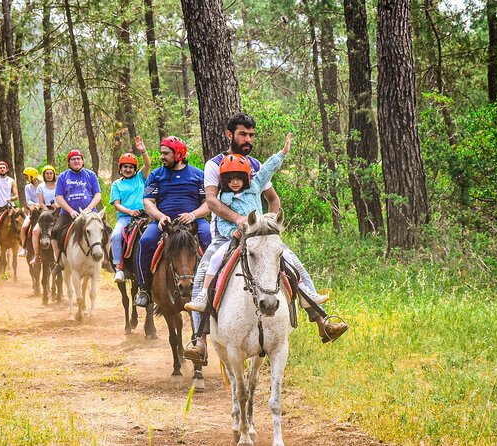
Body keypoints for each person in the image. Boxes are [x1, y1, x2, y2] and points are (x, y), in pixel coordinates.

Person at [183, 113, 348, 363]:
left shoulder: (257, 166)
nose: (248, 139)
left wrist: (269, 225)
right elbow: (212, 202)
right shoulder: (214, 164)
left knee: (295, 264)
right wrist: (239, 220)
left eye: (251, 135)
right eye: (243, 134)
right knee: (203, 274)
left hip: (259, 237)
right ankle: (199, 341)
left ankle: (322, 321)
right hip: (225, 237)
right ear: (230, 135)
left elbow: (273, 199)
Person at [186, 133, 329, 311]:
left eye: (238, 177)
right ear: (224, 180)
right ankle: (204, 295)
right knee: (214, 260)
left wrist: (282, 153)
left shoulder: (255, 186)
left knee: (289, 259)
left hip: (260, 237)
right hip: (236, 240)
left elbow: (268, 169)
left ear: (246, 177)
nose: (235, 182)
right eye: (230, 179)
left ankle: (306, 294)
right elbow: (222, 222)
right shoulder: (224, 198)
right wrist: (233, 231)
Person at [133, 136, 211, 307]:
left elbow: (209, 203)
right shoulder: (155, 175)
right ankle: (144, 288)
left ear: (179, 154)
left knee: (209, 238)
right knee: (145, 242)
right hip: (164, 223)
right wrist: (160, 216)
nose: (162, 157)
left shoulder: (199, 175)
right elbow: (147, 202)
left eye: (166, 153)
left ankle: (212, 288)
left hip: (193, 223)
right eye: (162, 153)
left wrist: (193, 214)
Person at [50, 150, 102, 273]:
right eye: (73, 159)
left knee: (107, 229)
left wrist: (88, 209)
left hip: (90, 214)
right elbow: (59, 197)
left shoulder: (91, 175)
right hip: (68, 214)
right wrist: (71, 211)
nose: (76, 161)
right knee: (55, 232)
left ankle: (105, 261)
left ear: (83, 161)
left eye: (79, 159)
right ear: (69, 163)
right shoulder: (63, 177)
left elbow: (98, 195)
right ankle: (59, 262)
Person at [110, 136, 151, 283]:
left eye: (131, 167)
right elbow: (116, 204)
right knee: (115, 236)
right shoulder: (116, 184)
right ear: (120, 168)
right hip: (125, 217)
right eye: (125, 167)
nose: (128, 169)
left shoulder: (140, 177)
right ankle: (119, 268)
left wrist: (143, 151)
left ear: (135, 169)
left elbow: (147, 165)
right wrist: (129, 212)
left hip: (144, 215)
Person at [29, 165, 58, 267]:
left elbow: (62, 198)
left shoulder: (59, 185)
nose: (49, 175)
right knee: (35, 231)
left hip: (58, 211)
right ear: (44, 175)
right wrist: (46, 210)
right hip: (45, 213)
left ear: (54, 174)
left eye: (51, 173)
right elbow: (41, 202)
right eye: (47, 173)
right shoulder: (41, 187)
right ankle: (37, 256)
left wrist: (57, 206)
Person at [19, 167, 41, 257]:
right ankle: (24, 248)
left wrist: (41, 204)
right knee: (24, 227)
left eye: (26, 176)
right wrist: (35, 205)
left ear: (31, 176)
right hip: (33, 211)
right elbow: (28, 200)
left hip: (45, 210)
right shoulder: (27, 187)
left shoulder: (43, 185)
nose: (26, 178)